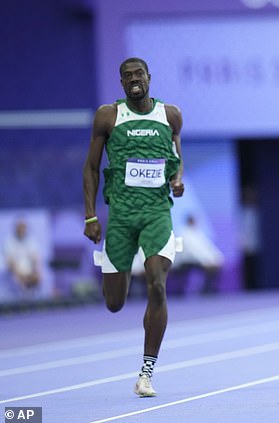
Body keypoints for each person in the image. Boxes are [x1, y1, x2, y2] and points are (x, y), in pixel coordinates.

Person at [82, 57, 184, 396]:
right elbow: (91, 169)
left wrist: (177, 179)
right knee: (114, 303)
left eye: (138, 74)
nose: (133, 79)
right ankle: (117, 274)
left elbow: (175, 156)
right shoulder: (108, 116)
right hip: (122, 216)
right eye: (126, 76)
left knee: (157, 285)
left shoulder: (170, 115)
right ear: (121, 83)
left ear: (149, 78)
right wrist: (91, 215)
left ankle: (146, 372)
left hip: (156, 213)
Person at [3, 218, 42, 297]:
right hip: (14, 273)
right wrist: (20, 275)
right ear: (16, 228)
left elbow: (35, 259)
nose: (21, 230)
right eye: (20, 227)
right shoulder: (9, 241)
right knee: (17, 281)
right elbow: (10, 262)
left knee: (38, 278)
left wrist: (35, 272)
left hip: (29, 272)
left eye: (23, 227)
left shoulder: (31, 240)